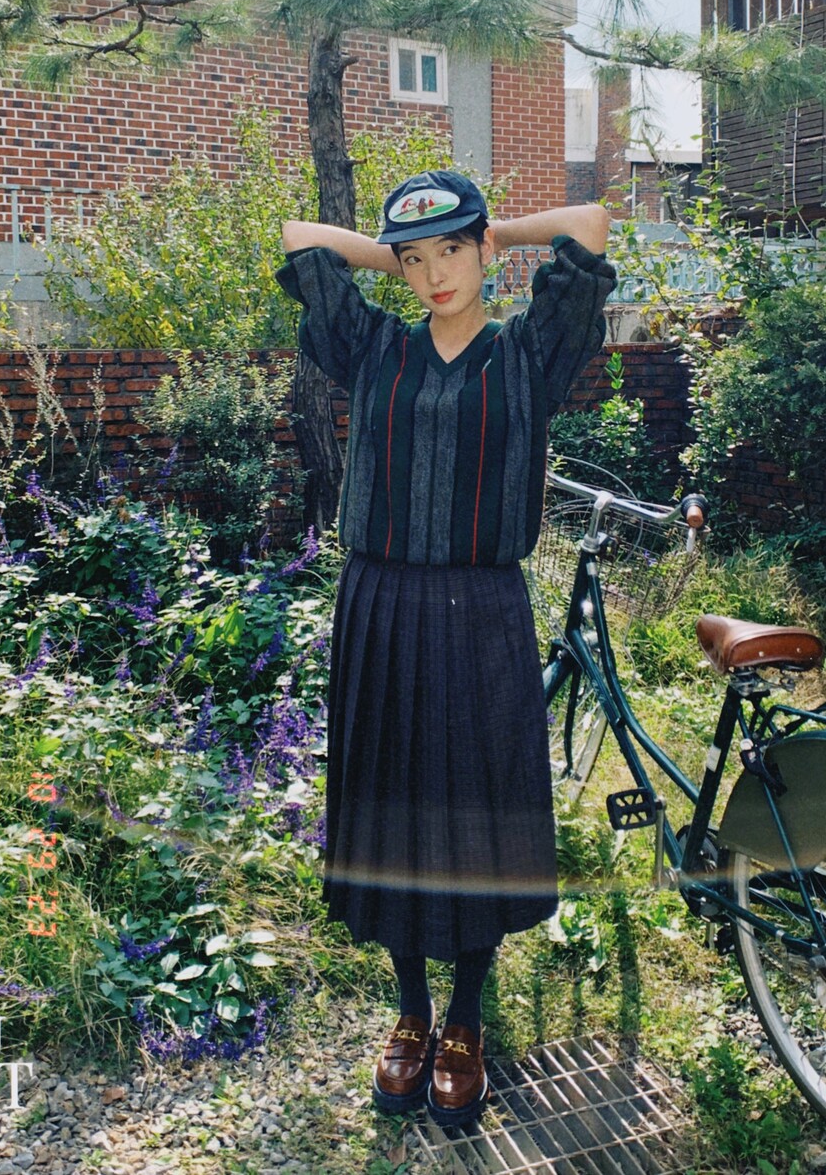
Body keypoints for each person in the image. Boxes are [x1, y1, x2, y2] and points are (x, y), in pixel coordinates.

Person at [276, 170, 615, 1127]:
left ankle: (465, 1018)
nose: (434, 275)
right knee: (392, 804)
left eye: (452, 252)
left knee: (474, 810)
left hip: (482, 610)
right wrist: (398, 251)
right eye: (415, 260)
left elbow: (590, 224)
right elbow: (301, 236)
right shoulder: (374, 345)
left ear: (483, 252)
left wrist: (494, 231)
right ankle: (411, 1011)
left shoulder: (528, 353)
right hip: (381, 604)